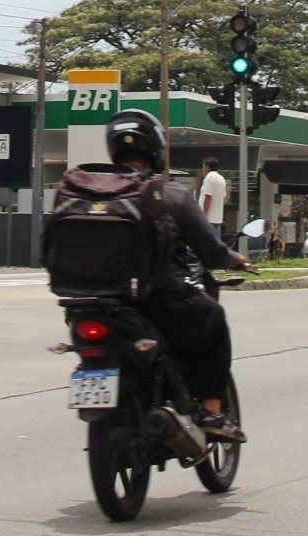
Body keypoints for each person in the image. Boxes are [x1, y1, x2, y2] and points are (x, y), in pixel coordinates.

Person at [101, 111, 253, 441]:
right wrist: (236, 258)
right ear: (156, 150)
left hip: (92, 304)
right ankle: (212, 411)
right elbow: (210, 250)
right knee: (213, 318)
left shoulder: (89, 192)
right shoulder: (169, 193)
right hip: (156, 302)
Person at [198, 157, 228, 241]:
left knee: (202, 243)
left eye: (203, 166)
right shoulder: (221, 179)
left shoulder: (209, 178)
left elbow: (208, 197)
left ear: (207, 166)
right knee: (216, 243)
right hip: (217, 218)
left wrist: (203, 214)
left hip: (208, 218)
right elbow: (223, 196)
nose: (203, 169)